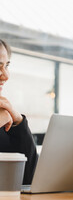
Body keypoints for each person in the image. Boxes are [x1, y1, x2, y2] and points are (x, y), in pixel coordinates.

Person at [0, 39, 38, 185]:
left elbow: (28, 176)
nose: (5, 75)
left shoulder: (5, 116)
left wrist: (18, 122)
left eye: (6, 66)